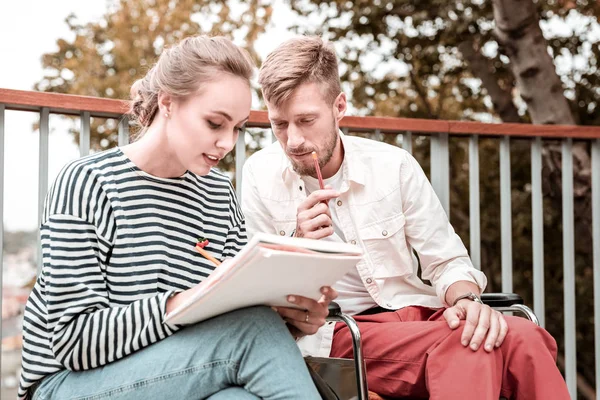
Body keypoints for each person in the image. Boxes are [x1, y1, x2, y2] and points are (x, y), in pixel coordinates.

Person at [241, 36, 571, 399]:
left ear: (339, 106)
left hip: (416, 315)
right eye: (280, 124)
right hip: (342, 331)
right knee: (468, 345)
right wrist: (297, 244)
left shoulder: (392, 165)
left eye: (306, 120)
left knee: (522, 336)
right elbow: (262, 293)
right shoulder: (260, 174)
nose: (293, 140)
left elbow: (446, 261)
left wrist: (467, 302)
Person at [17, 35, 337, 400]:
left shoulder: (218, 194)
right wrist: (183, 302)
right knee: (253, 330)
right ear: (168, 103)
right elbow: (74, 342)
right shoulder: (88, 182)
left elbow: (230, 323)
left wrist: (291, 320)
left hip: (178, 374)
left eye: (238, 128)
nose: (227, 143)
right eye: (215, 124)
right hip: (69, 384)